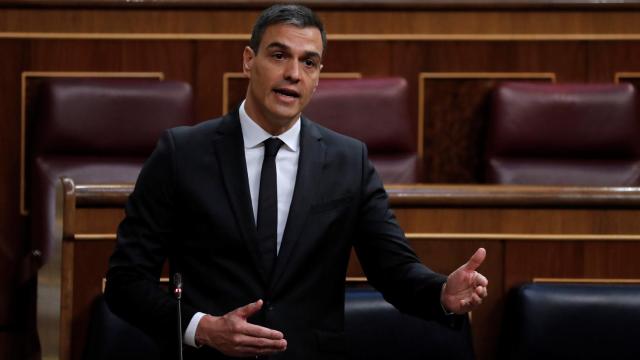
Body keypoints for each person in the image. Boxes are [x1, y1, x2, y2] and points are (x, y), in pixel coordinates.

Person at [105, 4, 488, 360]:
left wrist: (440, 292)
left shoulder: (347, 161)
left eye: (309, 62)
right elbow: (126, 281)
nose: (293, 73)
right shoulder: (181, 153)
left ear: (318, 77)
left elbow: (393, 269)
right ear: (248, 61)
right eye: (278, 55)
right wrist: (202, 328)